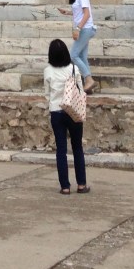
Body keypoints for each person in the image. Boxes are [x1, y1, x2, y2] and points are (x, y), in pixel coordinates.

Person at [44, 38, 89, 195]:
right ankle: (81, 184)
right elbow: (81, 90)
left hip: (56, 112)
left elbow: (47, 94)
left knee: (61, 150)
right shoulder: (74, 69)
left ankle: (65, 187)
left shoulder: (48, 71)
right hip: (73, 111)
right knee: (77, 147)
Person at [59, 0, 96, 93]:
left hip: (85, 29)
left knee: (73, 55)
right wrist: (67, 12)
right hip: (84, 29)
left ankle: (89, 79)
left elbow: (87, 14)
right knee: (82, 57)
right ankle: (88, 85)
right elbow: (79, 12)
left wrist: (78, 29)